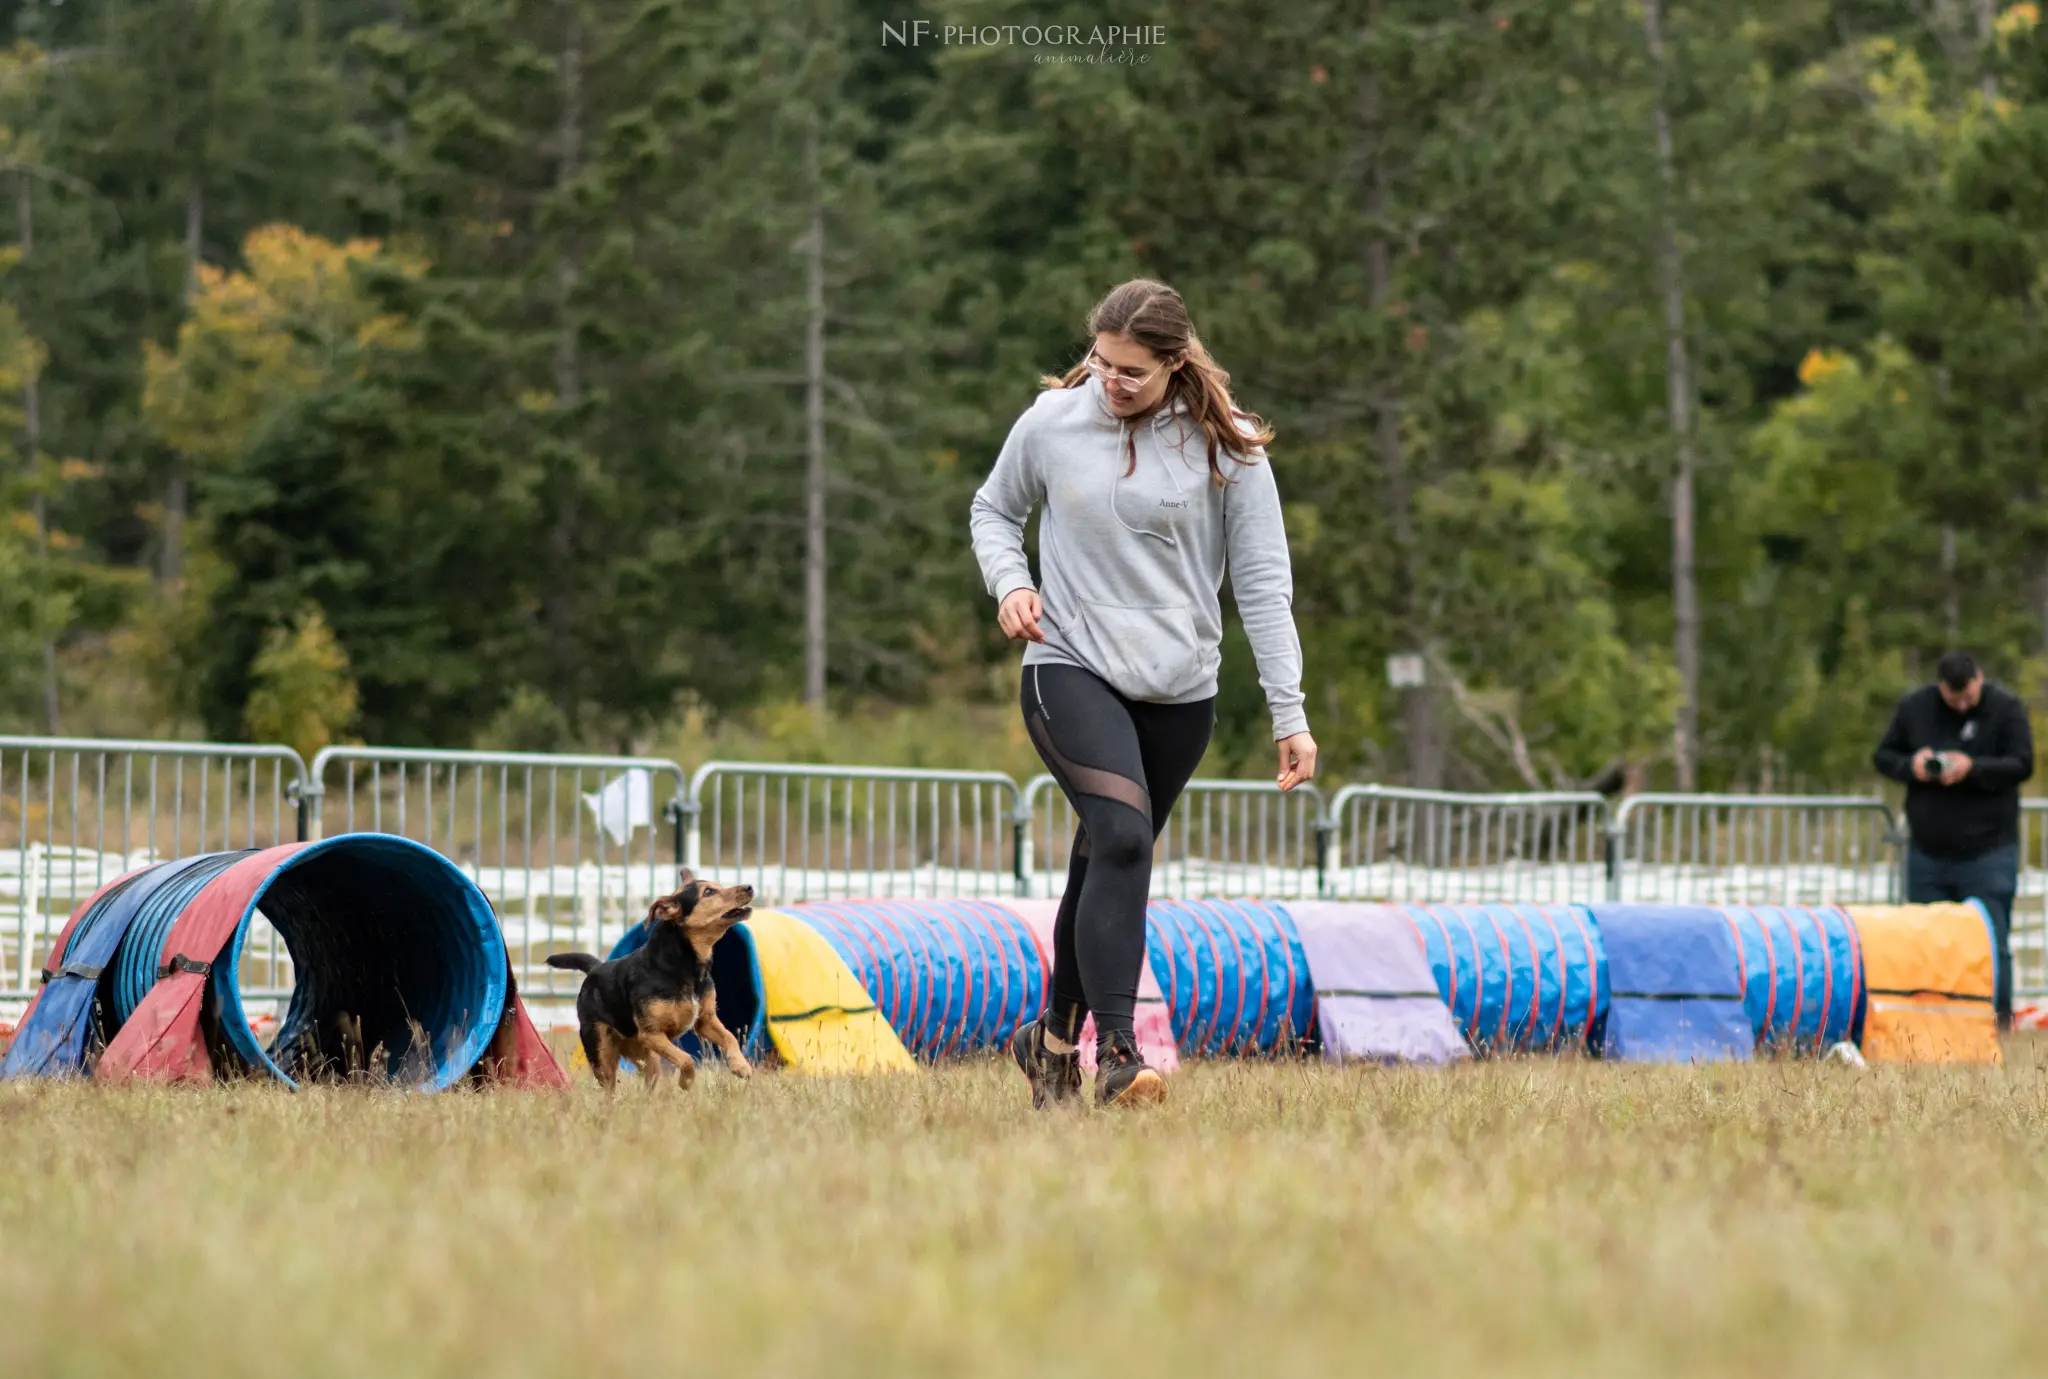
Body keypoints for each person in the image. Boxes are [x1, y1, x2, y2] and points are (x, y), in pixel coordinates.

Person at [969, 279, 1316, 1108]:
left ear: (1174, 362)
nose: (1110, 382)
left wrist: (1289, 711)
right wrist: (1011, 583)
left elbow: (1264, 587)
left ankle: (1049, 1042)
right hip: (1070, 662)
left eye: (1131, 371)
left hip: (1180, 688)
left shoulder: (1226, 446)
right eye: (1101, 361)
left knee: (1102, 862)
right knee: (1124, 838)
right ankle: (1118, 1051)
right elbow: (993, 509)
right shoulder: (1054, 421)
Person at [1872, 651, 2035, 1028]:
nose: (1961, 704)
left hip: (1988, 849)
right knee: (1926, 940)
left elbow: (2022, 764)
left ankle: (1998, 1023)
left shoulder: (2006, 708)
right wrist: (1911, 766)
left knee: (1991, 940)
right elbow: (1882, 756)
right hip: (1928, 851)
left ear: (1979, 678)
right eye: (1953, 698)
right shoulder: (1915, 707)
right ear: (1940, 687)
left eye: (1968, 697)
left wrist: (1972, 768)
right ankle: (1930, 1021)